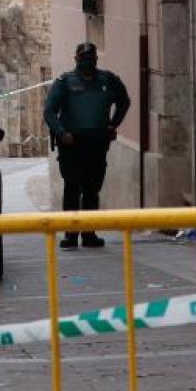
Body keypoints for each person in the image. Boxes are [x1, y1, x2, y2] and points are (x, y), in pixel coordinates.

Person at [43, 42, 131, 250]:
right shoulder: (64, 82)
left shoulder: (108, 80)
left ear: (96, 59)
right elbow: (49, 111)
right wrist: (61, 133)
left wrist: (112, 124)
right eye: (83, 57)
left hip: (97, 144)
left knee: (92, 190)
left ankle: (90, 233)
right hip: (72, 145)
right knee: (72, 189)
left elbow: (124, 102)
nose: (87, 60)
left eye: (91, 57)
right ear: (75, 59)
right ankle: (71, 235)